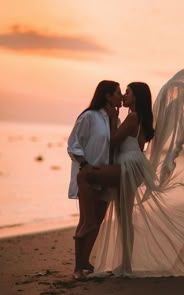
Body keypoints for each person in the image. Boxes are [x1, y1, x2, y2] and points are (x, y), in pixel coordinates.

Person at [83, 68, 184, 277]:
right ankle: (125, 263)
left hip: (128, 165)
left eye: (128, 92)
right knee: (124, 216)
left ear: (136, 97)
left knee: (122, 215)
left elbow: (113, 142)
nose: (125, 96)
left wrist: (111, 119)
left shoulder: (132, 118)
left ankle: (125, 265)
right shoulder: (144, 120)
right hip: (136, 164)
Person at [67, 80, 122, 280]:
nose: (121, 96)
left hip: (106, 176)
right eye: (117, 92)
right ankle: (77, 267)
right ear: (108, 96)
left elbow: (116, 145)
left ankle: (85, 261)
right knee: (86, 220)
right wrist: (85, 165)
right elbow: (73, 144)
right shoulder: (89, 116)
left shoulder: (113, 118)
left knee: (97, 221)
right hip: (90, 175)